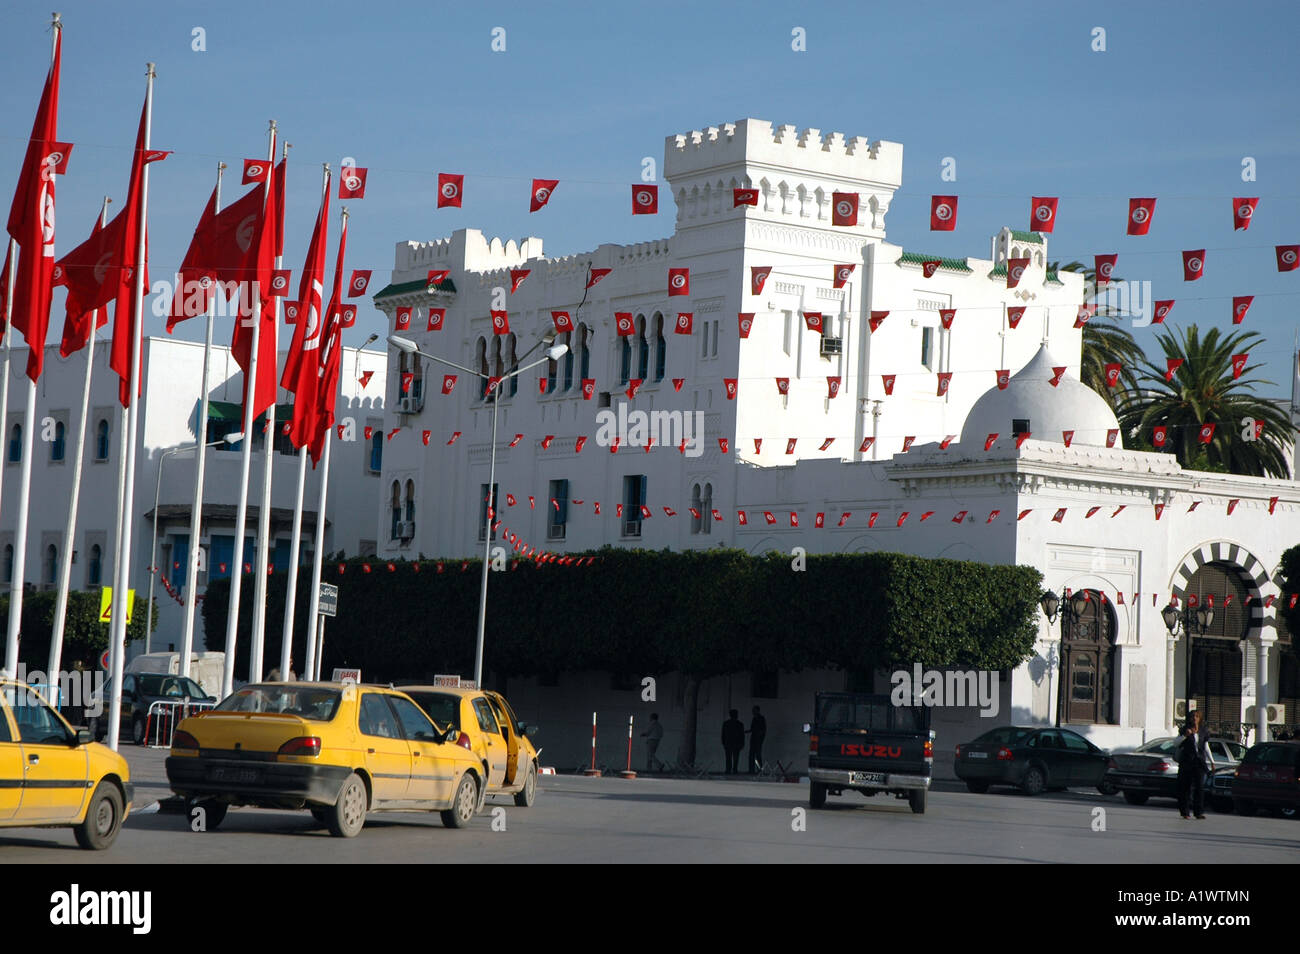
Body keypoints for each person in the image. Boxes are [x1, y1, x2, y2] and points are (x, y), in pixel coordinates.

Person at [1177, 709, 1215, 819]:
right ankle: (1185, 812)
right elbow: (1175, 743)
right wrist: (1185, 735)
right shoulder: (1184, 729)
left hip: (1199, 762)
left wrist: (1212, 761)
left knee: (1199, 787)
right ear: (1189, 718)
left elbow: (1206, 747)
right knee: (1186, 787)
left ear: (1200, 718)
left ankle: (1198, 812)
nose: (1195, 718)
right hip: (1187, 762)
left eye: (1197, 716)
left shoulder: (1203, 731)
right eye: (1193, 716)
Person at [722, 709, 745, 774]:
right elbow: (742, 735)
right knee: (736, 758)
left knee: (728, 757)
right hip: (736, 743)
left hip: (728, 743)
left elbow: (723, 734)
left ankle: (728, 769)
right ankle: (735, 770)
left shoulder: (726, 724)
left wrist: (724, 742)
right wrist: (742, 743)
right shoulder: (740, 724)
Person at [747, 705, 767, 774]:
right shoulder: (754, 718)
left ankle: (759, 769)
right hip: (753, 739)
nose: (753, 712)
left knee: (758, 755)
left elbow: (763, 730)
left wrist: (760, 737)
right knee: (751, 755)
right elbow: (752, 729)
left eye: (754, 710)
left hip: (758, 739)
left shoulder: (761, 718)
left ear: (757, 710)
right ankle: (751, 770)